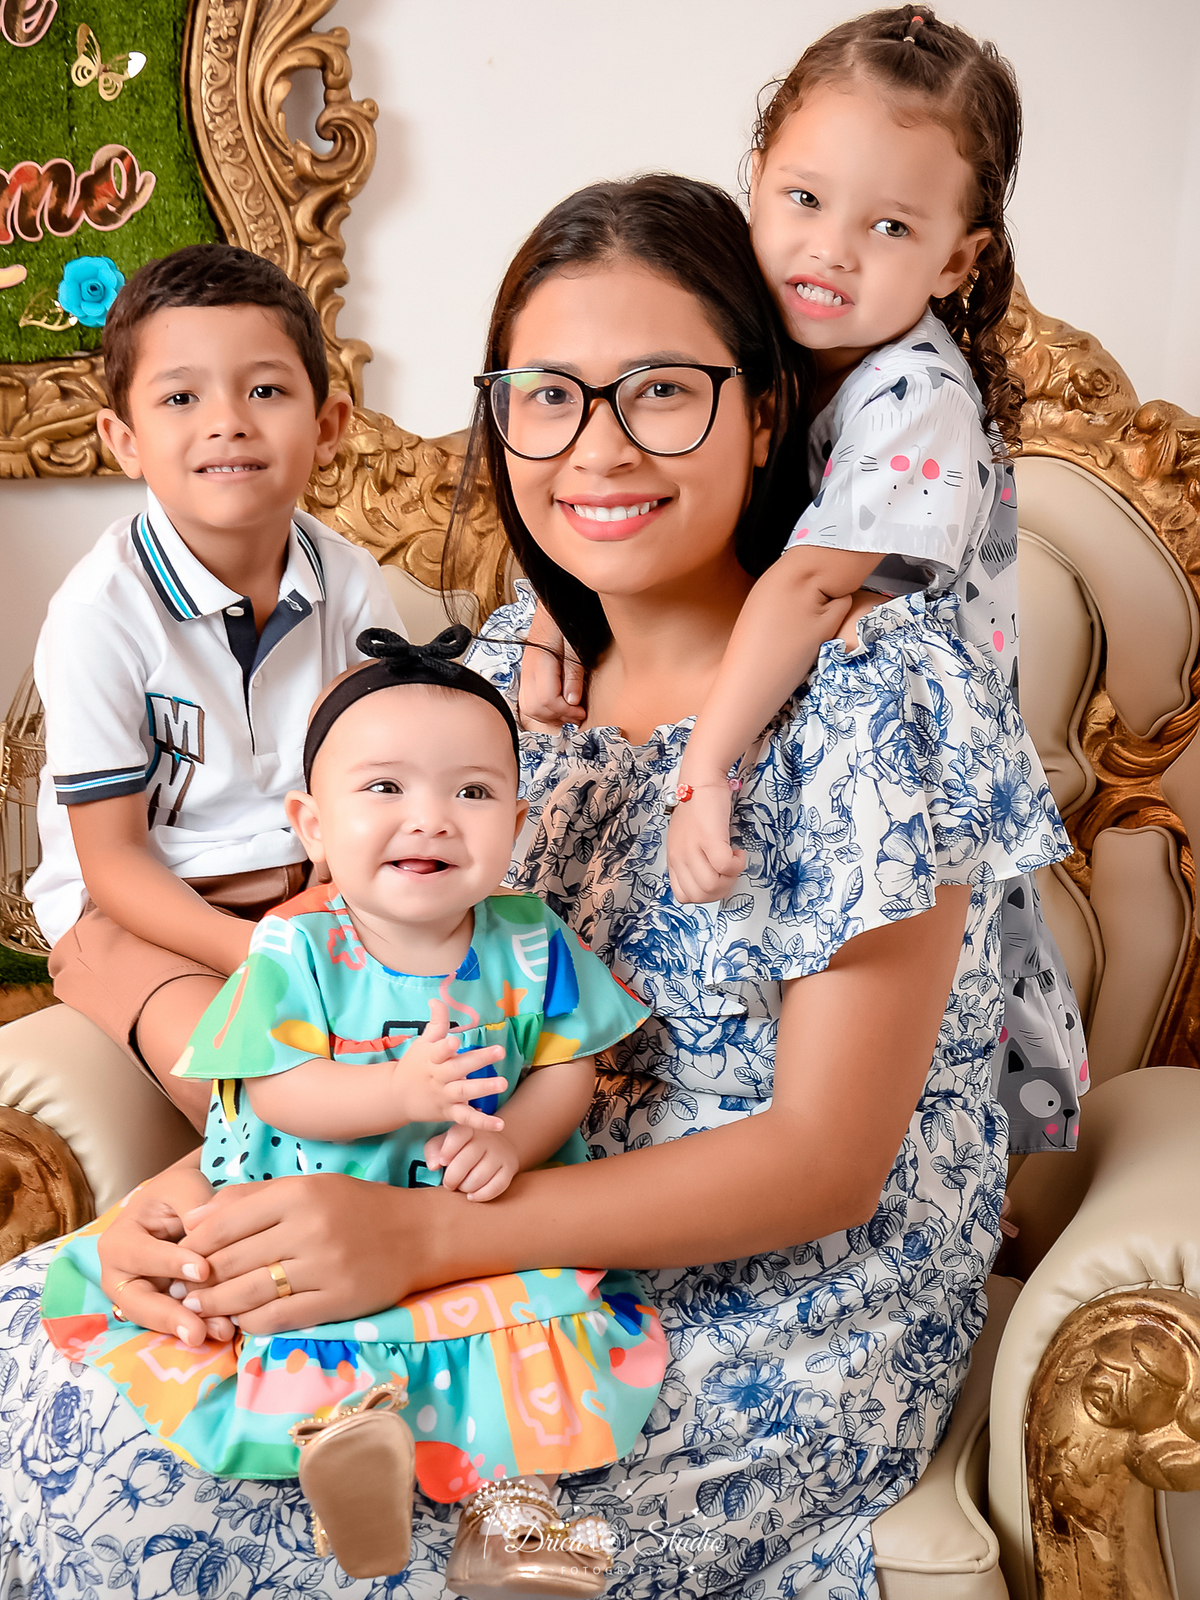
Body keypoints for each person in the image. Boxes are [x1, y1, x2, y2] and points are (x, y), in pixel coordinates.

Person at [0, 173, 1069, 1600]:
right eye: (547, 397)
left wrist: (425, 1236)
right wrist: (197, 1214)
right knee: (41, 1342)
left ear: (763, 415)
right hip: (464, 1230)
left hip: (757, 1316)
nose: (597, 449)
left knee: (150, 1498)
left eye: (662, 392)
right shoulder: (496, 689)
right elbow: (364, 1030)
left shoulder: (881, 691)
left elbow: (829, 1160)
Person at [518, 4, 1087, 1156]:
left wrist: (707, 767)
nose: (830, 250)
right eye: (805, 200)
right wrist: (555, 611)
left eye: (889, 224)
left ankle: (979, 1176)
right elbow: (616, 505)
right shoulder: (763, 339)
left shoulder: (912, 393)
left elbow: (813, 589)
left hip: (893, 724)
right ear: (756, 182)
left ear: (958, 258)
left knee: (948, 1012)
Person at [40, 629, 661, 1593]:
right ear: (313, 826)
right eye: (385, 789)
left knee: (524, 1334)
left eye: (473, 792)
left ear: (518, 820)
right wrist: (397, 1093)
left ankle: (509, 1528)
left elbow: (568, 1065)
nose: (433, 820)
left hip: (475, 1223)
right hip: (314, 1209)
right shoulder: (297, 950)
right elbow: (272, 1086)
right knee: (296, 1325)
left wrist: (520, 1144)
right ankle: (348, 1459)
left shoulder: (530, 940)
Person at [26, 243, 403, 1129]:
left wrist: (330, 910)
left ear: (330, 424)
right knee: (250, 1088)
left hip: (311, 882)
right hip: (140, 911)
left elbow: (369, 777)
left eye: (266, 390)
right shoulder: (99, 611)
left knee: (443, 1027)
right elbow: (112, 860)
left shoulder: (349, 581)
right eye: (180, 397)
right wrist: (259, 949)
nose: (227, 421)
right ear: (123, 440)